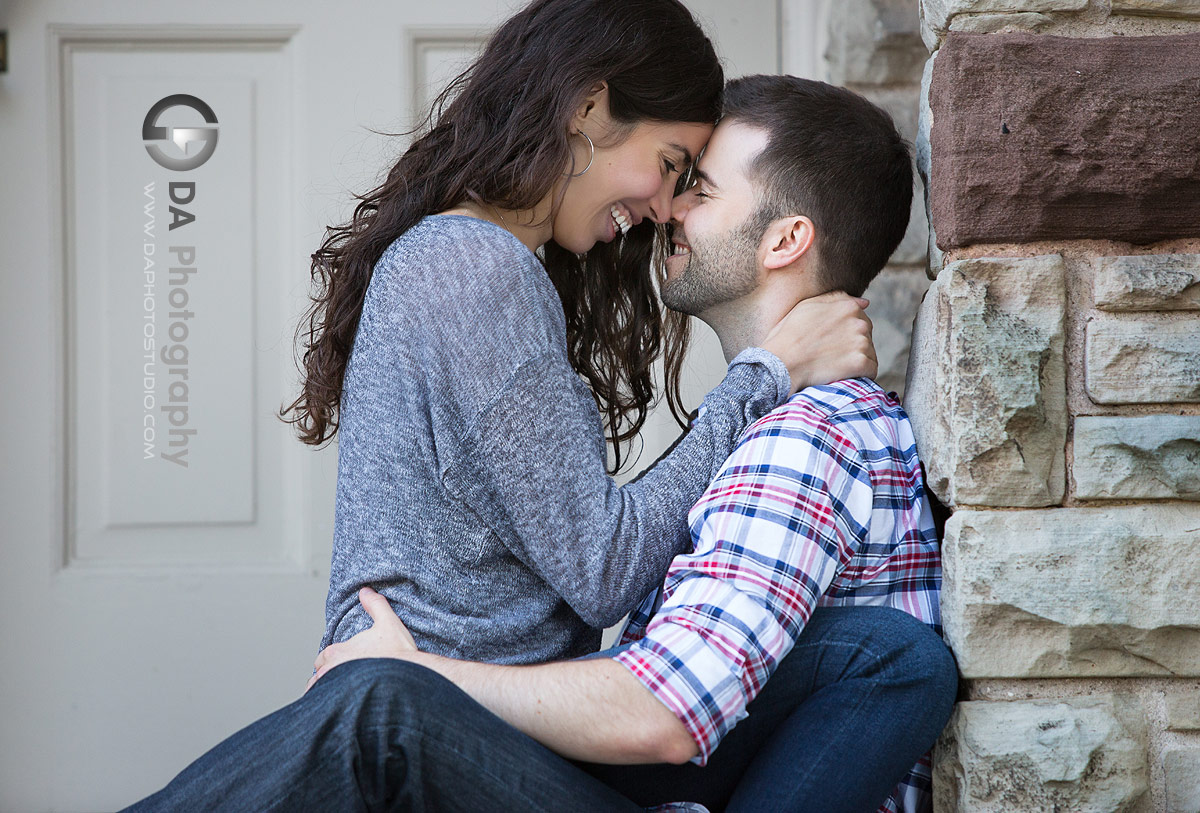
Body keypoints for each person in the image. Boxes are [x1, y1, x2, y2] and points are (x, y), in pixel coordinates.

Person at [307, 76, 955, 813]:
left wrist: (415, 675)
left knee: (375, 727)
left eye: (699, 189)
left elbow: (663, 707)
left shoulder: (805, 437)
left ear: (785, 239)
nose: (666, 209)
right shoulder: (779, 424)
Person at [286, 0, 877, 671]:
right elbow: (604, 565)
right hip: (438, 735)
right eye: (667, 162)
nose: (663, 209)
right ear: (589, 109)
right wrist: (768, 373)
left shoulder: (470, 258)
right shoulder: (474, 267)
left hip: (438, 712)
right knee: (887, 658)